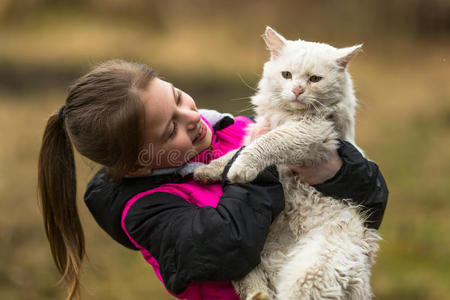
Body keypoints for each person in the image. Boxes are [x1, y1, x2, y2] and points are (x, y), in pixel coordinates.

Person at [38, 60, 388, 300]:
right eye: (170, 128)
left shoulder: (236, 129)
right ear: (137, 165)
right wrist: (260, 158)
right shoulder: (145, 209)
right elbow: (229, 246)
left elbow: (366, 203)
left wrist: (339, 173)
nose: (191, 116)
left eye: (177, 97)